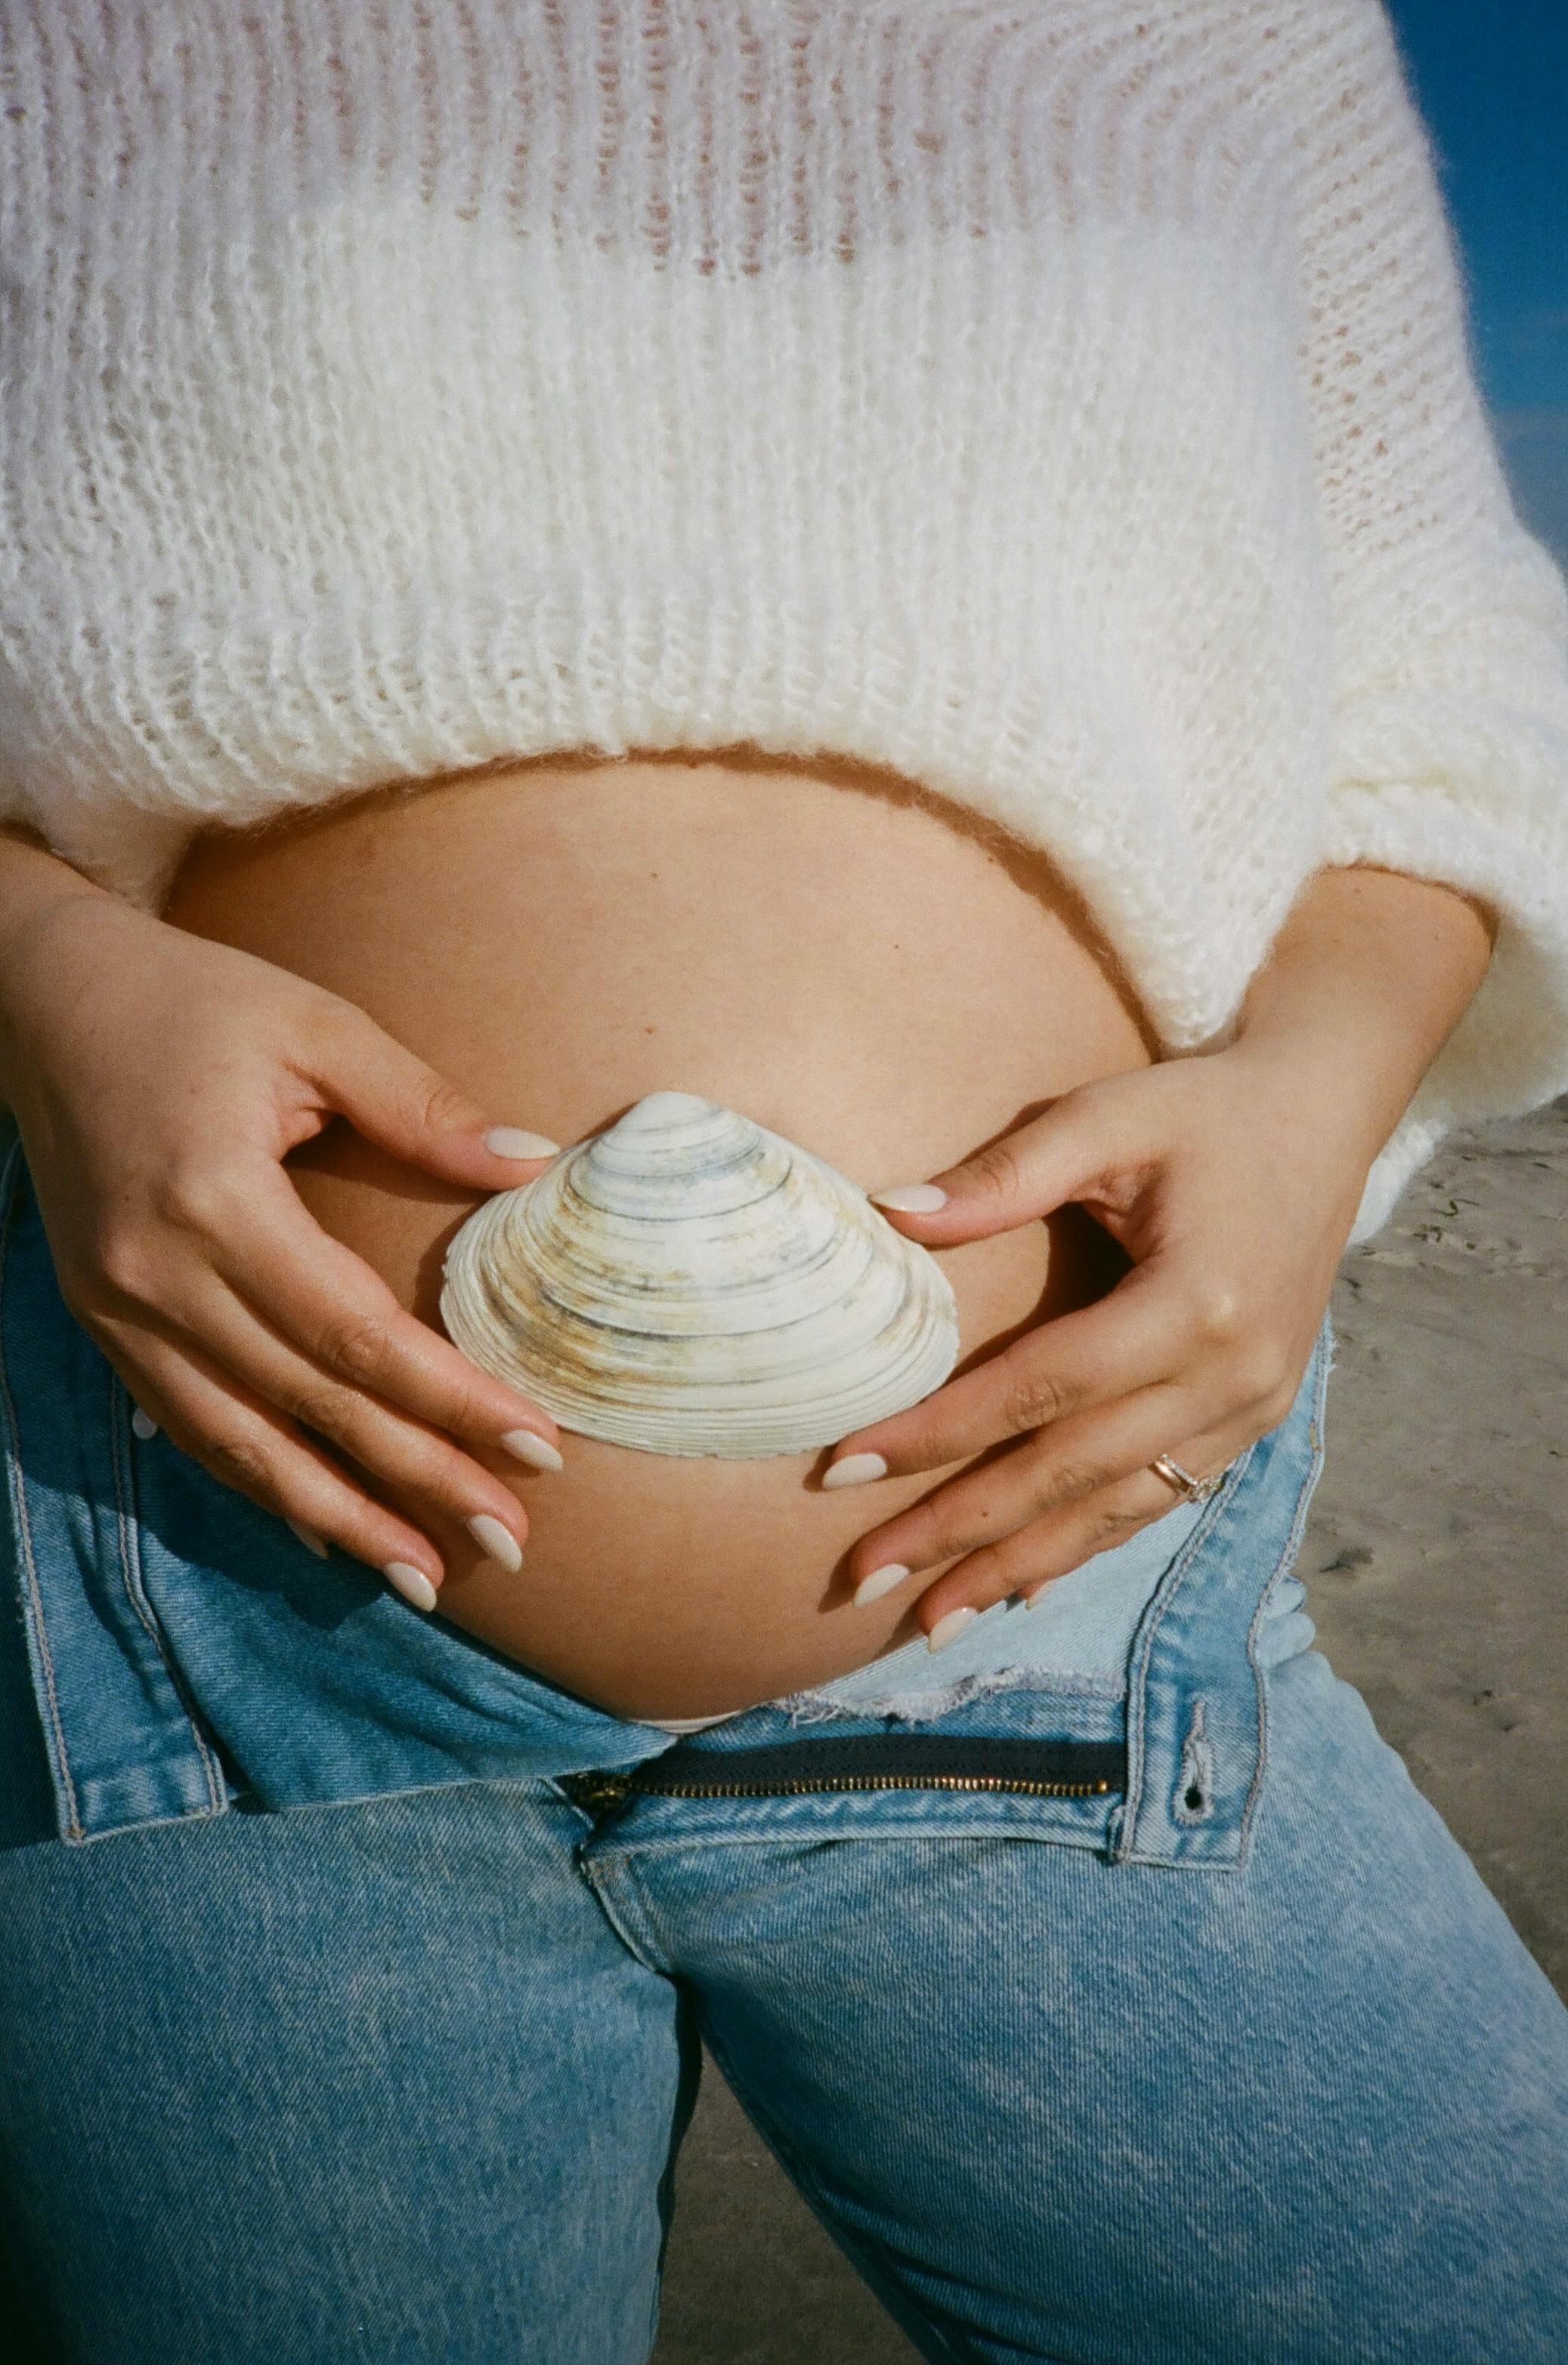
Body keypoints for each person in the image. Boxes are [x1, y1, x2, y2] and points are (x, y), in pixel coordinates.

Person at [1, 2, 1564, 2358]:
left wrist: (1311, 1097)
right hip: (199, 1594)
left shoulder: (1226, 31)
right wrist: (42, 970)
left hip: (1045, 1588)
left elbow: (1449, 702)